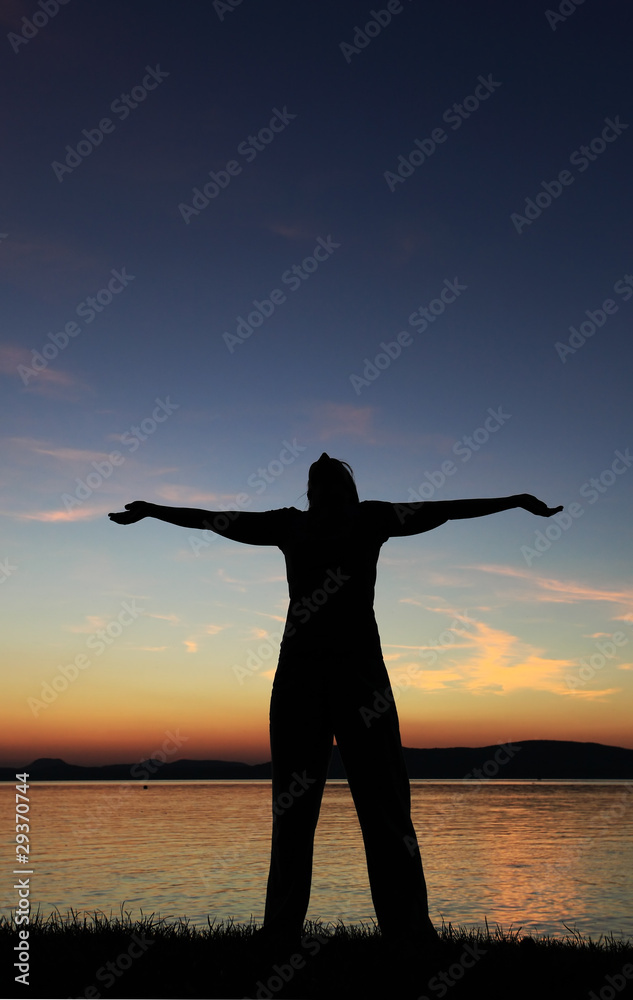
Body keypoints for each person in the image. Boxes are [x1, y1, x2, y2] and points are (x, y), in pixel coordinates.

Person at [109, 453, 563, 951]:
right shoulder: (293, 525)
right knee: (293, 810)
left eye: (334, 481)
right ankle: (281, 935)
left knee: (386, 805)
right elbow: (216, 522)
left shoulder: (372, 518)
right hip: (301, 679)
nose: (325, 488)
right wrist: (153, 509)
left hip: (361, 678)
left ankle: (409, 933)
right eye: (319, 482)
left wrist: (515, 501)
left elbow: (447, 508)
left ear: (348, 491)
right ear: (310, 494)